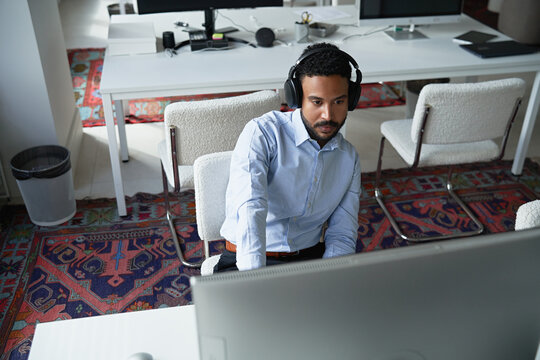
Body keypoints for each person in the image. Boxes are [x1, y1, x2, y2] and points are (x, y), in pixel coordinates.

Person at [216, 42, 362, 272]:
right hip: (249, 258)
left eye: (339, 102)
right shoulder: (263, 133)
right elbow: (251, 212)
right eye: (317, 102)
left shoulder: (349, 158)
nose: (328, 115)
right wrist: (253, 282)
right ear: (296, 97)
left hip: (308, 258)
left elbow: (342, 233)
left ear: (351, 100)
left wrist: (334, 278)